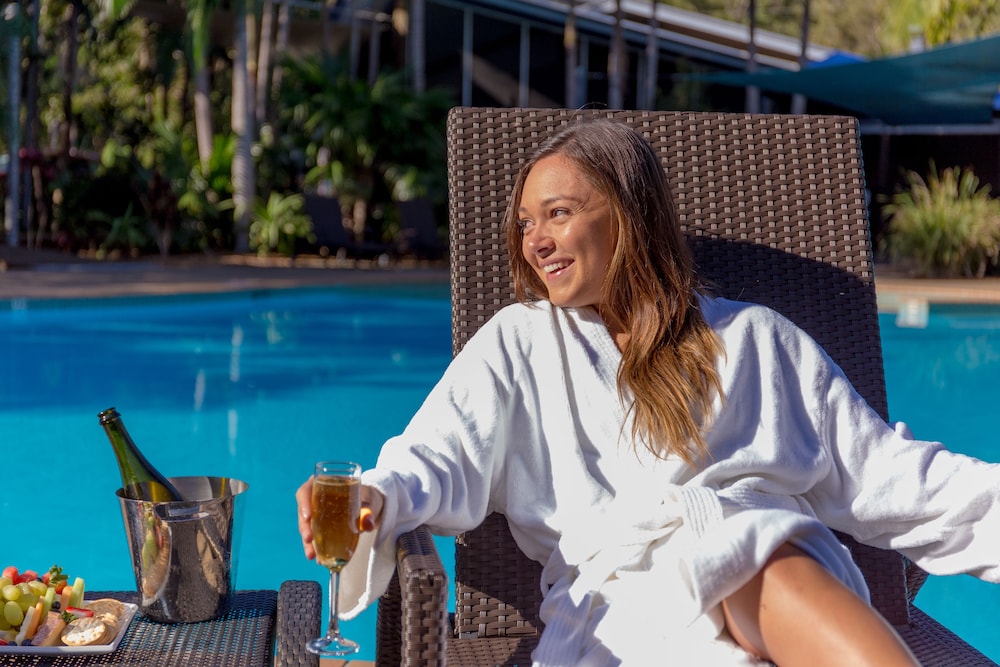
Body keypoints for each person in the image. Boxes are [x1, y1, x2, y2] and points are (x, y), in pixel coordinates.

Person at [296, 119, 1000, 666]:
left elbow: (893, 477)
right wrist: (376, 495)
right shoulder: (518, 342)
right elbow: (438, 451)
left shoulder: (754, 338)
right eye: (526, 223)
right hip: (618, 606)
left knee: (760, 550)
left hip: (768, 573)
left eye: (558, 213)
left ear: (628, 215)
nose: (535, 241)